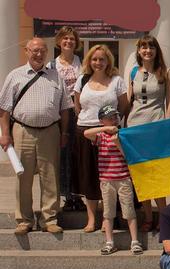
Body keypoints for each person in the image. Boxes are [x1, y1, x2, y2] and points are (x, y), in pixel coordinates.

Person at [0, 37, 73, 235]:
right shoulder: (15, 76)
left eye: (42, 50)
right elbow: (4, 109)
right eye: (35, 50)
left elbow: (66, 108)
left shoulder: (56, 76)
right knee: (22, 177)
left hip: (50, 131)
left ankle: (49, 219)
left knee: (51, 178)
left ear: (47, 52)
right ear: (27, 51)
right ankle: (24, 220)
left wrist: (64, 132)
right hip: (22, 131)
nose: (39, 54)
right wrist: (5, 134)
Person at [72, 44, 129, 233]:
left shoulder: (116, 80)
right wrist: (90, 123)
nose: (98, 62)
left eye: (102, 59)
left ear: (108, 61)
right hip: (86, 132)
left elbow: (123, 106)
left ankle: (107, 218)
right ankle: (91, 219)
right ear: (89, 60)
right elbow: (78, 106)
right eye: (95, 59)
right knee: (89, 177)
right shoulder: (82, 80)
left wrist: (111, 126)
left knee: (109, 177)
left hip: (109, 134)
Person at [127, 35, 170, 231]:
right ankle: (147, 217)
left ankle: (163, 218)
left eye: (151, 47)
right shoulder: (133, 73)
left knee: (157, 176)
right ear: (139, 51)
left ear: (156, 51)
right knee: (141, 176)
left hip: (156, 127)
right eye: (144, 47)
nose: (147, 51)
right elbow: (129, 101)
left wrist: (168, 124)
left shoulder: (165, 72)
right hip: (135, 128)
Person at [83, 105, 143, 255]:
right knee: (108, 213)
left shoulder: (122, 134)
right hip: (106, 180)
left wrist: (117, 143)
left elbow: (128, 156)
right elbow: (86, 133)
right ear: (102, 120)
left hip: (123, 179)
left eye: (115, 117)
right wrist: (104, 130)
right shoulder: (101, 136)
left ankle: (134, 241)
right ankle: (109, 242)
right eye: (109, 118)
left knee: (129, 210)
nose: (113, 120)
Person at [49, 26, 86, 212]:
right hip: (60, 114)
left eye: (72, 39)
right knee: (63, 156)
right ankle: (66, 196)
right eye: (65, 39)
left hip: (80, 113)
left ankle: (78, 195)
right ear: (59, 41)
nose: (69, 42)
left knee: (78, 155)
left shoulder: (84, 63)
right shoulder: (51, 65)